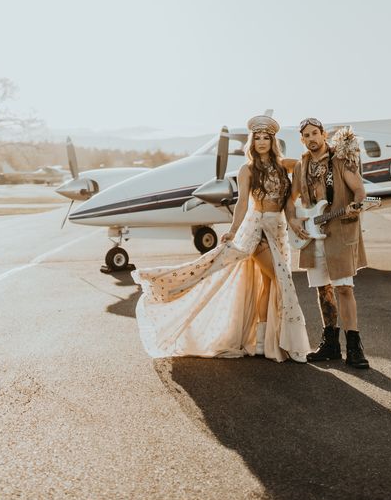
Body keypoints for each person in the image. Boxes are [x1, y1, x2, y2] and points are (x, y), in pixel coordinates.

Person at [131, 115, 310, 362]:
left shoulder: (283, 166)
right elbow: (242, 202)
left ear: (272, 141)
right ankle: (285, 342)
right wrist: (234, 230)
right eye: (256, 138)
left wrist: (296, 203)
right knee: (282, 279)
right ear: (252, 141)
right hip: (257, 231)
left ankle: (261, 343)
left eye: (265, 138)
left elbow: (303, 166)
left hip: (278, 229)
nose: (260, 142)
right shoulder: (247, 169)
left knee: (268, 284)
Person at [287, 117, 370, 368]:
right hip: (314, 235)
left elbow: (359, 192)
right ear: (302, 140)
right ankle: (330, 344)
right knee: (323, 289)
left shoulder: (340, 159)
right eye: (307, 135)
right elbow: (291, 200)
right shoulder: (301, 167)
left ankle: (354, 347)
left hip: (340, 232)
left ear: (323, 134)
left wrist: (356, 207)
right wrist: (293, 220)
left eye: (315, 133)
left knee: (344, 288)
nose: (312, 139)